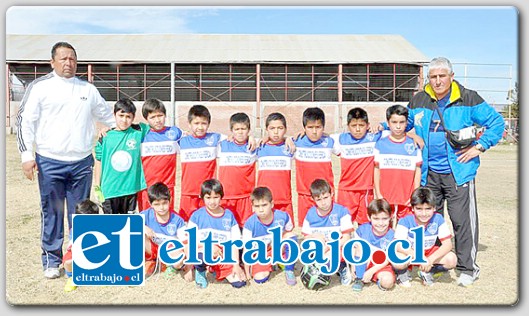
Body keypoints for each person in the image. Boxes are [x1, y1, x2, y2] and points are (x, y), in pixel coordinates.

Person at [15, 41, 115, 279]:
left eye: (72, 59)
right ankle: (52, 260)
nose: (69, 63)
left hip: (82, 162)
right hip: (50, 161)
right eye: (63, 59)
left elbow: (107, 115)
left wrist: (116, 130)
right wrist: (27, 156)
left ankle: (79, 257)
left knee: (80, 213)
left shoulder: (87, 89)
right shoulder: (39, 87)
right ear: (52, 62)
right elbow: (24, 122)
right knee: (52, 212)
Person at [404, 57, 505, 287]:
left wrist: (479, 146)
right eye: (433, 76)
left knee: (462, 222)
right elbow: (401, 123)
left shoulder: (468, 97)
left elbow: (497, 123)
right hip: (428, 174)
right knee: (429, 222)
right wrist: (410, 134)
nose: (437, 81)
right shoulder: (420, 98)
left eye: (442, 76)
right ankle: (434, 266)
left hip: (458, 172)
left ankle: (467, 268)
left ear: (452, 76)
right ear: (428, 78)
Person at [187, 179, 247, 289]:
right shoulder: (196, 216)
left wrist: (236, 265)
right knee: (200, 256)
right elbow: (191, 241)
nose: (212, 201)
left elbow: (235, 243)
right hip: (204, 250)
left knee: (240, 283)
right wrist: (209, 246)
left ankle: (215, 268)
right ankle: (200, 271)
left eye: (216, 197)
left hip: (224, 255)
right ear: (202, 197)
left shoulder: (229, 216)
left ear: (221, 197)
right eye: (208, 197)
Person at [392, 187, 457, 287]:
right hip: (411, 253)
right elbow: (398, 245)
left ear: (434, 208)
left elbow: (447, 244)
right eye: (419, 209)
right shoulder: (405, 220)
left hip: (429, 253)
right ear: (412, 208)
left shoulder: (438, 219)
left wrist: (430, 260)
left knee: (452, 259)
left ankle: (428, 271)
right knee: (397, 259)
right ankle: (402, 273)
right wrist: (419, 257)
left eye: (428, 209)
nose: (424, 214)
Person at [94, 98, 149, 214]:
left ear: (133, 118)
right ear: (114, 115)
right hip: (109, 190)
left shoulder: (139, 131)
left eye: (128, 117)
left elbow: (156, 127)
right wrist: (97, 187)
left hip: (130, 190)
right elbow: (99, 161)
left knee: (128, 226)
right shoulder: (105, 137)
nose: (124, 120)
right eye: (121, 115)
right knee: (111, 227)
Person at [330, 107, 384, 226]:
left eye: (361, 125)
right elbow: (320, 137)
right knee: (344, 223)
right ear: (348, 126)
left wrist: (382, 125)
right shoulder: (340, 139)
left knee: (364, 224)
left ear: (368, 125)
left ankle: (362, 244)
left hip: (366, 190)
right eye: (354, 125)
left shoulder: (374, 137)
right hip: (346, 190)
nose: (358, 129)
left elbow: (397, 132)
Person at [374, 104, 422, 227]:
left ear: (407, 123)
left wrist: (414, 194)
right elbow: (376, 170)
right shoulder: (380, 144)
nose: (398, 126)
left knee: (406, 228)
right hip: (386, 196)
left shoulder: (414, 144)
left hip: (406, 198)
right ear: (388, 123)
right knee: (384, 228)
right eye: (394, 122)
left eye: (402, 122)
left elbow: (417, 171)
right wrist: (379, 194)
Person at [301, 179, 354, 286]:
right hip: (322, 248)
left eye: (326, 197)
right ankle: (316, 267)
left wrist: (329, 247)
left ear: (332, 194)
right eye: (319, 199)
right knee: (314, 241)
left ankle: (342, 266)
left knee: (345, 247)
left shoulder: (342, 211)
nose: (323, 202)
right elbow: (306, 239)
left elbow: (346, 238)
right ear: (313, 199)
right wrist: (315, 237)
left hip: (337, 248)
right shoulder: (310, 214)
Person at [177, 105, 225, 222]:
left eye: (203, 123)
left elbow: (236, 138)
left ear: (208, 124)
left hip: (208, 194)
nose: (200, 127)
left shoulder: (216, 138)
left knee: (208, 223)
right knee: (187, 224)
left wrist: (251, 138)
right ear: (189, 124)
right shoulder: (181, 141)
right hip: (188, 193)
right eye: (196, 123)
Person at [242, 186, 298, 286]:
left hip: (276, 248)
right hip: (260, 254)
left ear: (272, 204)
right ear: (253, 207)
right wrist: (247, 273)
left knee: (290, 236)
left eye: (264, 205)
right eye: (257, 206)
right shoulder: (249, 224)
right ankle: (273, 264)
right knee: (260, 278)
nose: (261, 210)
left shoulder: (283, 216)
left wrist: (279, 244)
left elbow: (288, 231)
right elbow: (247, 249)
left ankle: (289, 270)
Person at [137, 98, 184, 212]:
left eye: (160, 115)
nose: (157, 120)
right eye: (152, 117)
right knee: (146, 219)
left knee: (167, 217)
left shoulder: (175, 132)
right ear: (146, 119)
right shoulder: (141, 134)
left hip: (167, 186)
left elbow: (193, 140)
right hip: (146, 187)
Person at [294, 107, 338, 227]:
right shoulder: (296, 142)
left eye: (318, 127)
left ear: (323, 127)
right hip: (305, 195)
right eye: (310, 127)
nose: (314, 131)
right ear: (304, 128)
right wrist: (287, 139)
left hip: (325, 195)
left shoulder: (330, 142)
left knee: (329, 228)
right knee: (306, 229)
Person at [140, 182, 192, 280]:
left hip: (169, 251)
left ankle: (171, 267)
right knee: (136, 233)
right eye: (157, 204)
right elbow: (129, 223)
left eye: (164, 203)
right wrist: (144, 228)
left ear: (170, 201)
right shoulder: (146, 215)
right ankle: (149, 261)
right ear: (151, 204)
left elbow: (186, 243)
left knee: (181, 255)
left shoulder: (177, 220)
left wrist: (189, 268)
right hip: (152, 248)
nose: (161, 207)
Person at [217, 112, 257, 226]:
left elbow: (272, 141)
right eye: (237, 129)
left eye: (243, 129)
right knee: (226, 227)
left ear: (248, 130)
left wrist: (252, 138)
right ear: (231, 130)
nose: (240, 132)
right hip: (227, 196)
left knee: (245, 228)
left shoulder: (254, 146)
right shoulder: (223, 145)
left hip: (246, 197)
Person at [256, 112, 295, 223]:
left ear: (286, 129)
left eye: (280, 128)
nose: (276, 132)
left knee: (287, 233)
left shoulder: (290, 147)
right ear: (267, 130)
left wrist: (288, 138)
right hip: (263, 201)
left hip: (284, 199)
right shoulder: (259, 146)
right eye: (272, 128)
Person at [350, 198, 396, 292]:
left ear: (390, 217)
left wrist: (371, 271)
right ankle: (359, 278)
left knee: (388, 282)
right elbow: (354, 249)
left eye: (384, 219)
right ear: (369, 217)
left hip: (380, 265)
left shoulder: (393, 235)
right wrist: (352, 267)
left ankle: (375, 279)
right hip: (364, 262)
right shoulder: (362, 230)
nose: (380, 223)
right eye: (376, 219)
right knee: (361, 247)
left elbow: (388, 258)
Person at [63, 199, 100, 292]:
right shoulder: (74, 230)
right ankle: (72, 277)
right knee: (68, 262)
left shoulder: (100, 227)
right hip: (79, 253)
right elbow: (73, 247)